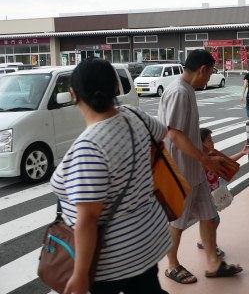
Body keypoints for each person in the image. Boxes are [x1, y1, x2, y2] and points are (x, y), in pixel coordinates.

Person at [50, 58, 170, 294]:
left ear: (74, 95)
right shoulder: (133, 115)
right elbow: (161, 133)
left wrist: (80, 274)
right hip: (146, 237)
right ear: (116, 88)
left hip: (111, 259)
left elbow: (87, 219)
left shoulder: (89, 147)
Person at [158, 49, 243, 285]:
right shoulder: (179, 92)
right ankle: (172, 265)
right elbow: (174, 133)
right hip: (181, 170)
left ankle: (213, 263)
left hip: (194, 169)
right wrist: (205, 160)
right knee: (177, 221)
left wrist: (206, 154)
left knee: (209, 216)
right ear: (203, 69)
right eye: (210, 73)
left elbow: (186, 132)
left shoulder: (187, 90)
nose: (209, 78)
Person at [196, 128, 249, 256]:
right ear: (200, 144)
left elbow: (227, 162)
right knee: (213, 220)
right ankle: (210, 244)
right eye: (209, 140)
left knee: (208, 220)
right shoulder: (201, 160)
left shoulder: (212, 155)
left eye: (212, 139)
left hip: (212, 194)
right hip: (204, 196)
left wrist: (242, 153)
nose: (212, 142)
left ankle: (203, 241)